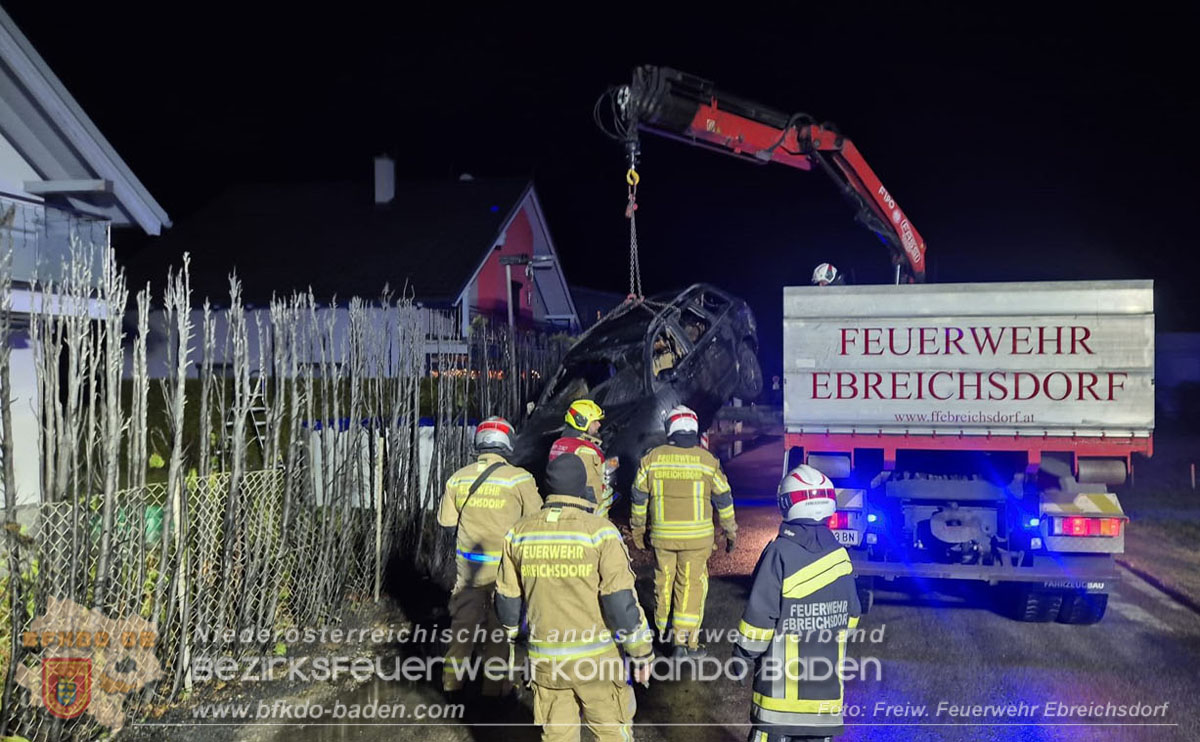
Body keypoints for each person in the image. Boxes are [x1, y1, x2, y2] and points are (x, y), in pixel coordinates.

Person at [495, 453, 654, 742]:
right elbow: (619, 602)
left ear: (548, 486)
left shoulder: (518, 534)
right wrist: (641, 653)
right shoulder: (600, 533)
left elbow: (507, 603)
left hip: (547, 667)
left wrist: (515, 637)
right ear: (582, 485)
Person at [733, 464, 861, 741]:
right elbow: (851, 618)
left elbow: (760, 619)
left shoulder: (779, 553)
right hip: (824, 705)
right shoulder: (840, 556)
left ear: (787, 504)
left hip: (777, 706)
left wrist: (742, 656)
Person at [436, 416, 542, 698]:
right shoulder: (520, 478)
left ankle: (451, 684)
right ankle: (495, 689)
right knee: (499, 630)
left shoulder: (458, 477)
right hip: (504, 571)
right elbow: (536, 521)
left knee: (462, 627)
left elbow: (447, 522)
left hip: (469, 569)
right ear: (507, 442)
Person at [629, 405, 737, 656]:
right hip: (697, 540)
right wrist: (730, 532)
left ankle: (664, 632)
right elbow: (724, 500)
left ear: (670, 429)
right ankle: (683, 642)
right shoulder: (707, 461)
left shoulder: (652, 458)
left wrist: (637, 530)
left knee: (663, 581)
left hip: (662, 537)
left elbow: (638, 498)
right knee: (690, 585)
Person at [549, 399, 615, 518]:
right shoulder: (586, 450)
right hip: (585, 515)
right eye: (595, 421)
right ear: (582, 421)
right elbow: (592, 491)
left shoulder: (557, 444)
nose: (599, 425)